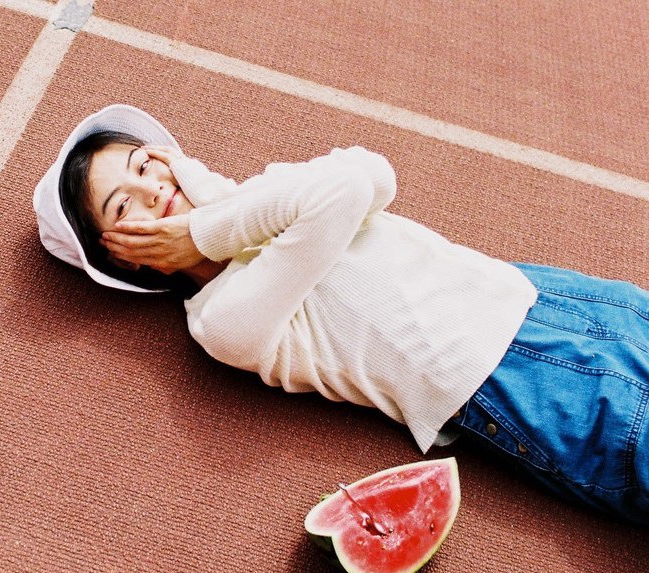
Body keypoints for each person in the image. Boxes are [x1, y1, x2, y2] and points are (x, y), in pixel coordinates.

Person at [34, 104, 649, 526]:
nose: (152, 191)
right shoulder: (220, 323)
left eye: (147, 165)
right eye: (124, 206)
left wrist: (200, 216)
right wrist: (200, 231)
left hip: (539, 293)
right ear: (125, 261)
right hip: (502, 378)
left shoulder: (261, 195)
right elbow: (342, 196)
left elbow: (372, 174)